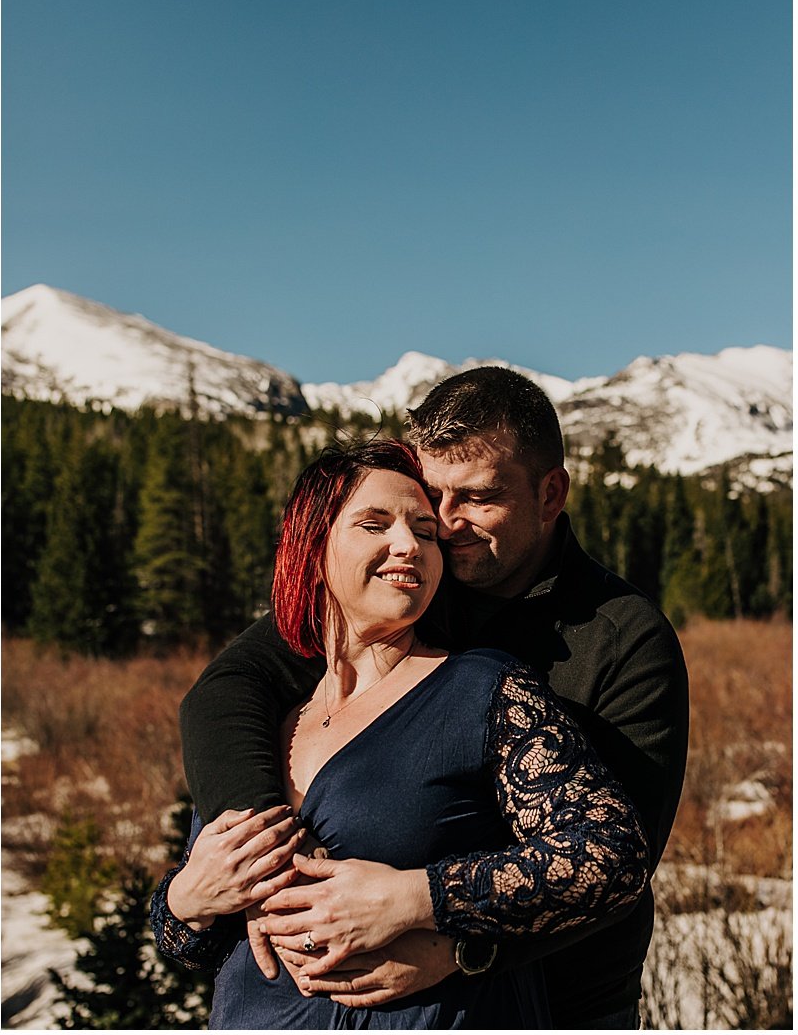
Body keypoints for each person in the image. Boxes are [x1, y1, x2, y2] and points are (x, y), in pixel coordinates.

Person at [178, 368, 690, 1028]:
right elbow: (222, 692)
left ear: (551, 493)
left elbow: (616, 860)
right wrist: (269, 867)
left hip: (558, 1001)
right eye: (432, 497)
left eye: (478, 498)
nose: (445, 526)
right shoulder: (399, 587)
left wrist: (461, 947)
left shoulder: (620, 638)